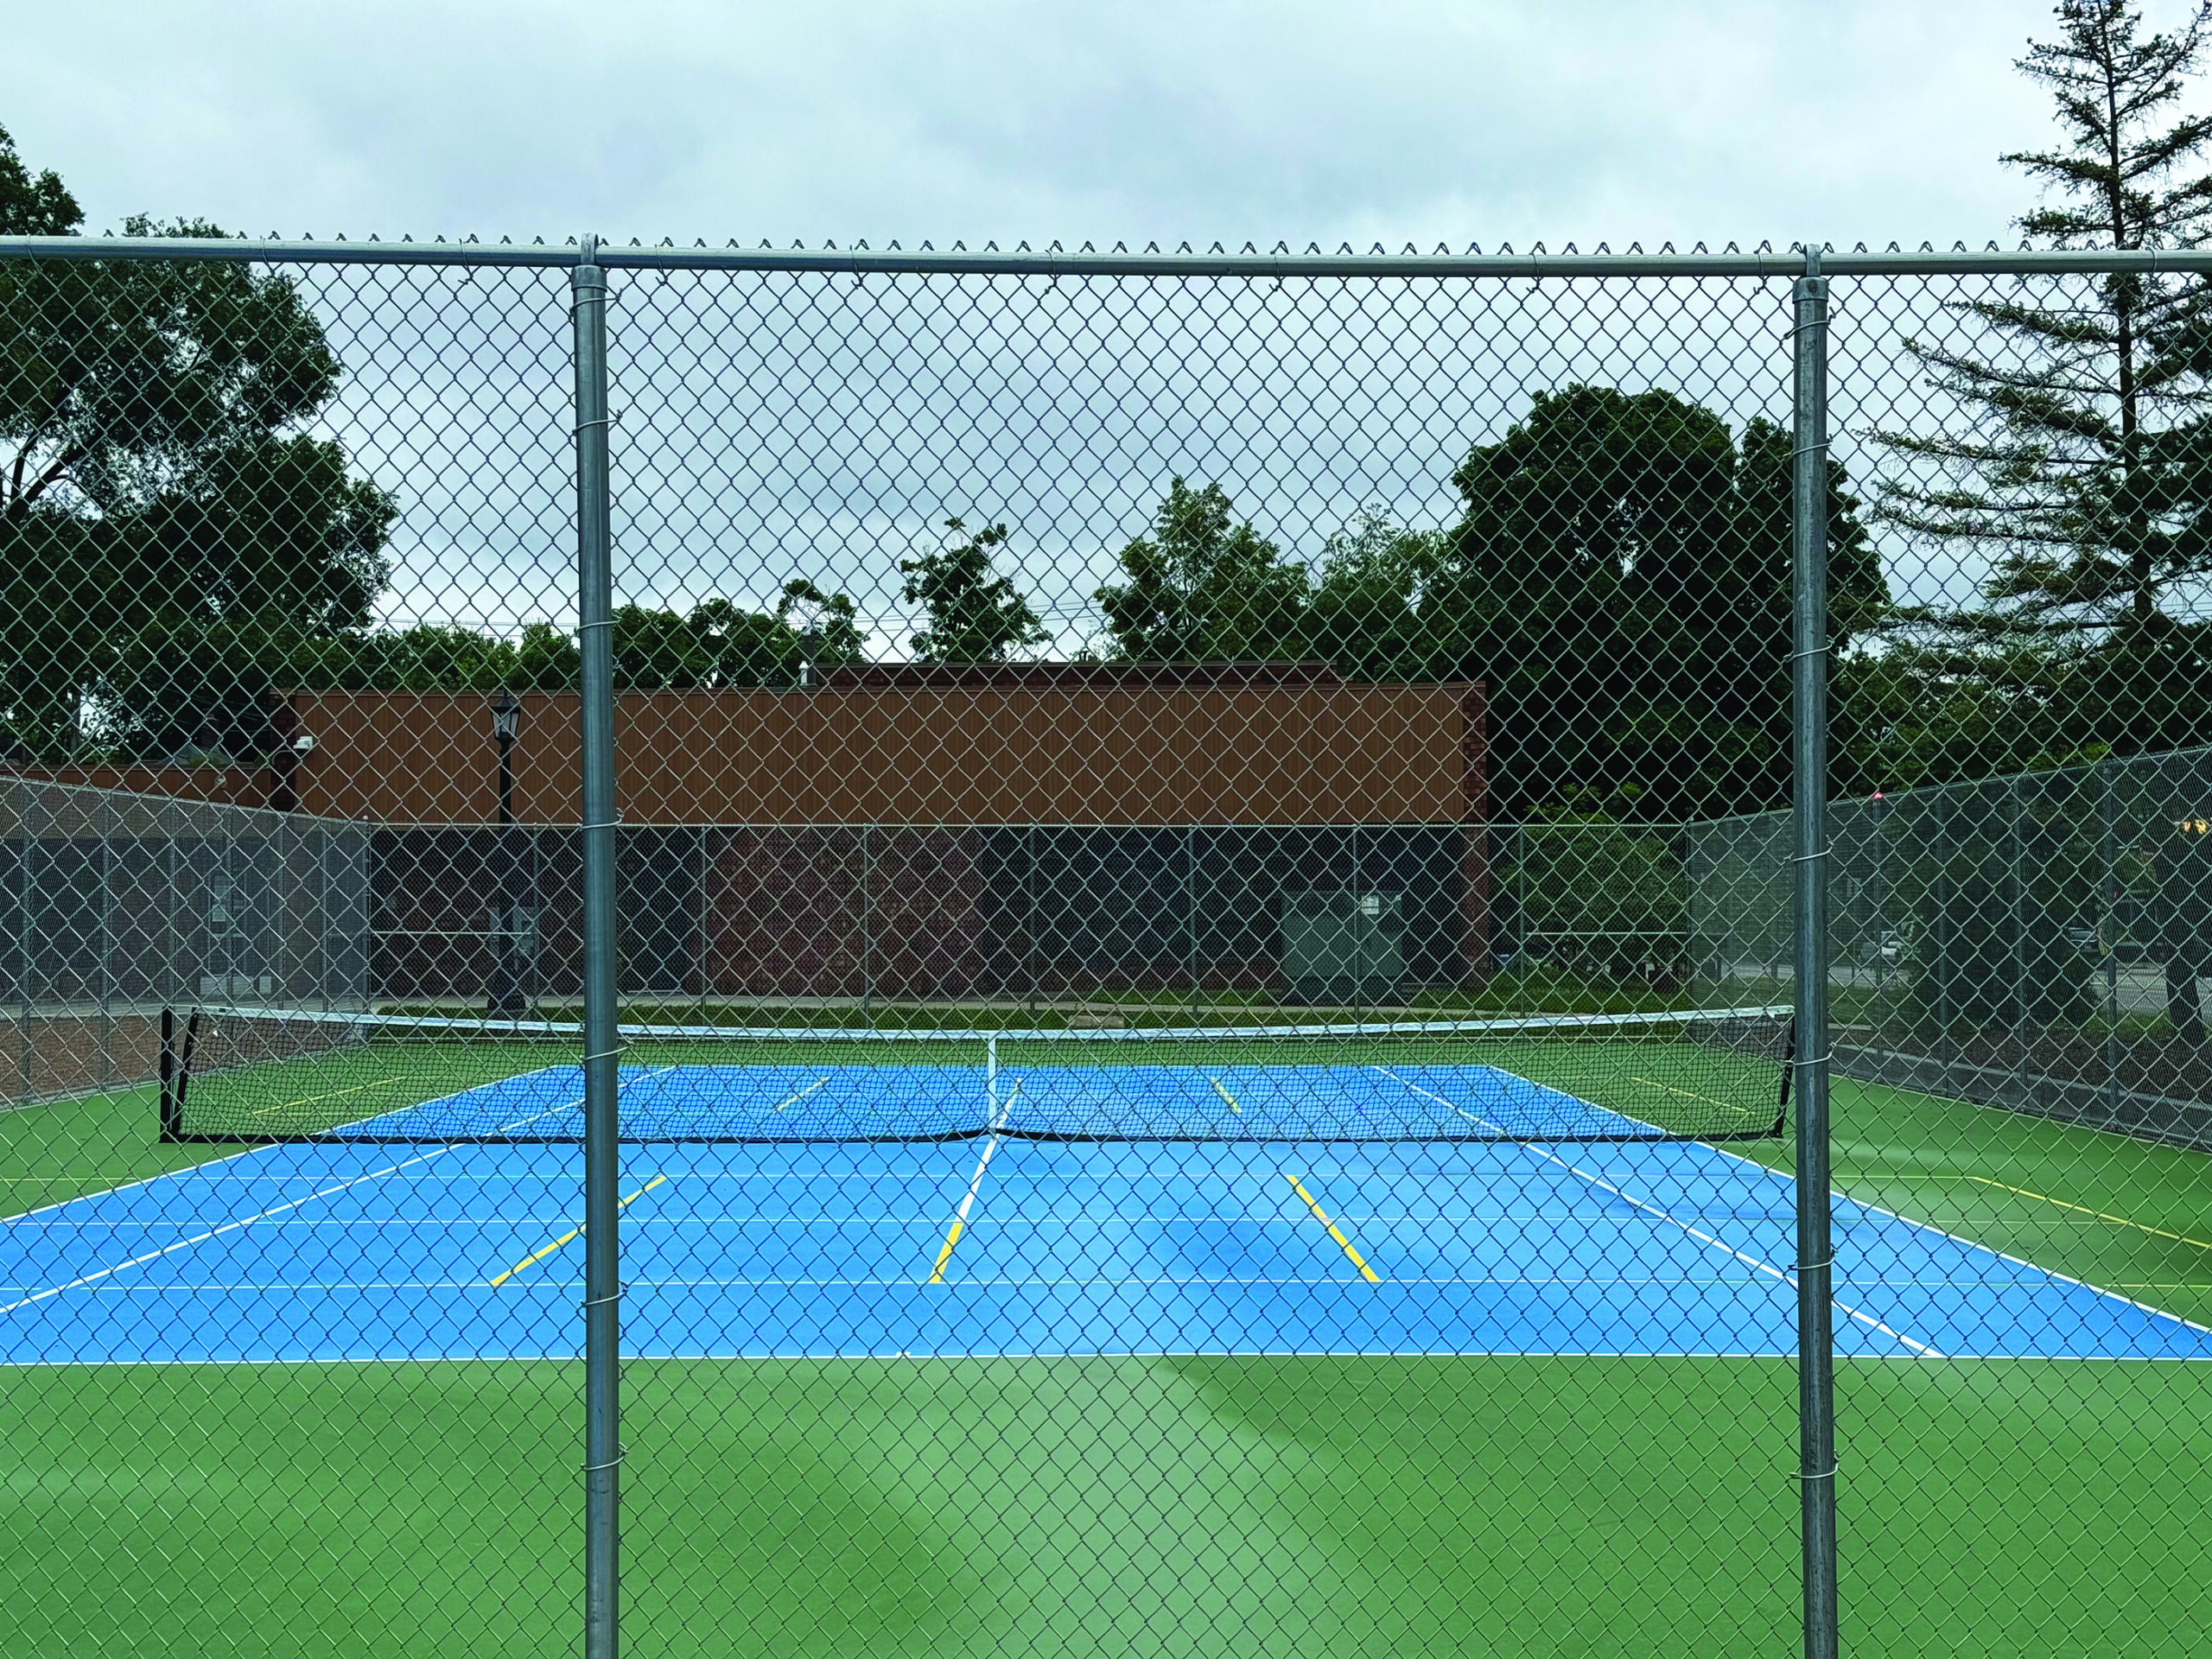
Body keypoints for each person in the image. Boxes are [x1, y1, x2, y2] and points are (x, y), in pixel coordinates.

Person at [2156, 812, 2212, 1042]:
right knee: (2179, 969)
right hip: (2179, 922)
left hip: (2184, 919)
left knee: (2180, 969)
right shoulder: (2174, 854)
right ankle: (2188, 1031)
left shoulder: (2192, 857)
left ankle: (2189, 1031)